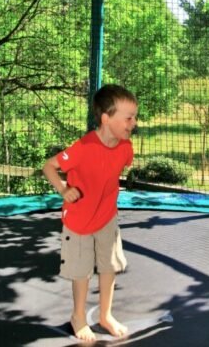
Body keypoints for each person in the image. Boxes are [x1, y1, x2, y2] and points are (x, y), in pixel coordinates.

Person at [43, 84, 138, 341]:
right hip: (78, 220)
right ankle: (78, 317)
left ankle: (105, 315)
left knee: (109, 267)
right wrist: (64, 189)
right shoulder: (83, 148)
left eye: (134, 117)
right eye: (128, 118)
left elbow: (114, 169)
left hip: (106, 217)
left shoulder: (125, 148)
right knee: (81, 271)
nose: (133, 123)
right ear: (106, 119)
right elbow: (49, 166)